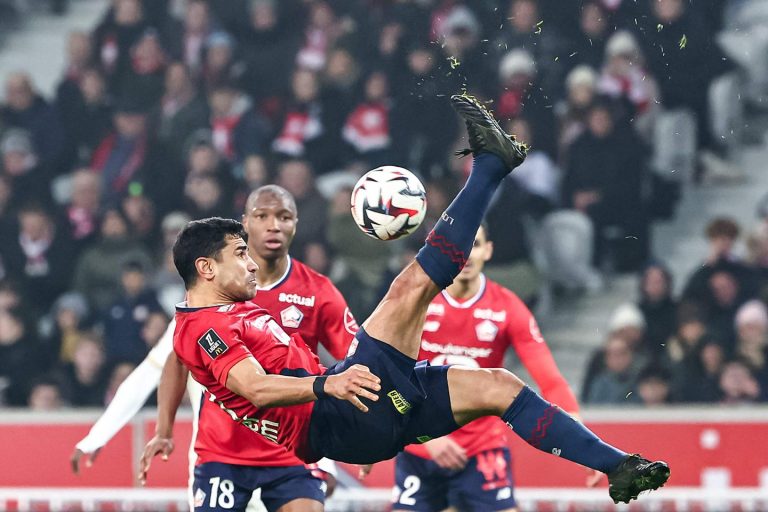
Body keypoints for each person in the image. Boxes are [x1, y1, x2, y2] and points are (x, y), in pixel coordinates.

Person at [142, 94, 670, 506]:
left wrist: (341, 376)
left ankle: (618, 467)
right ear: (206, 269)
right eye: (240, 252)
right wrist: (331, 381)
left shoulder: (246, 307)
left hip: (360, 413)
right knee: (411, 287)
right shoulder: (202, 329)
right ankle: (489, 167)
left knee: (499, 386)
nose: (251, 260)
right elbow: (255, 389)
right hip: (335, 418)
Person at [71, 185, 356, 511]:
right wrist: (106, 433)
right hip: (223, 456)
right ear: (245, 223)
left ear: (296, 223)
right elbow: (164, 366)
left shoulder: (318, 292)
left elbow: (357, 361)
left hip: (291, 452)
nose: (273, 225)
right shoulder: (208, 298)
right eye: (263, 216)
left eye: (284, 217)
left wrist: (355, 440)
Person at [391, 224, 594, 512]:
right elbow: (390, 376)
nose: (465, 254)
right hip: (422, 448)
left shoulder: (507, 307)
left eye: (474, 244)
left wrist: (585, 447)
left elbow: (551, 381)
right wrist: (423, 440)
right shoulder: (418, 302)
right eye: (458, 245)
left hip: (481, 450)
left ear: (488, 250)